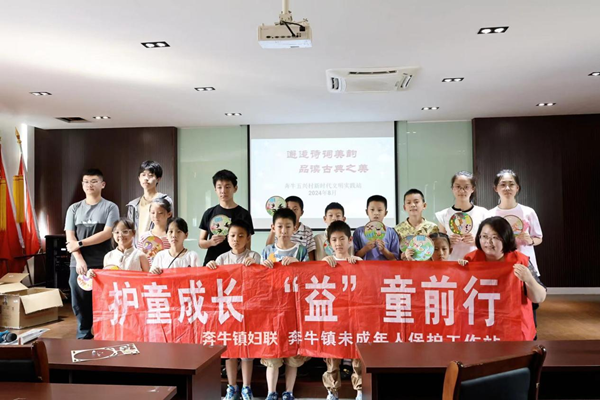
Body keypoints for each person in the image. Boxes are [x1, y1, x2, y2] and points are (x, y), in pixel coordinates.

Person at [459, 217, 546, 340]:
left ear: (505, 238)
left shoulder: (520, 260)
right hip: (480, 326)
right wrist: (459, 271)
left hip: (513, 327)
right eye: (484, 236)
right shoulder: (470, 260)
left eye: (495, 237)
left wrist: (529, 279)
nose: (488, 242)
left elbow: (539, 297)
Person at [206, 220, 260, 400]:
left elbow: (261, 281)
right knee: (230, 351)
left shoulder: (254, 256)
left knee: (246, 351)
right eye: (232, 235)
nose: (236, 239)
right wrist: (210, 268)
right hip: (228, 311)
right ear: (227, 238)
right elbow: (213, 282)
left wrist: (255, 266)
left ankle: (246, 387)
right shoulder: (221, 259)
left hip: (247, 311)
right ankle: (232, 387)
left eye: (241, 235)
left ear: (248, 238)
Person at [260, 208, 309, 400]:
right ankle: (271, 392)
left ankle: (289, 391)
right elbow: (260, 282)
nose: (284, 230)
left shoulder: (301, 250)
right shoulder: (267, 251)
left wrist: (299, 264)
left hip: (294, 309)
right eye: (280, 226)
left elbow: (309, 277)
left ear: (295, 228)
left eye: (288, 226)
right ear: (273, 227)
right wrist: (263, 269)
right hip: (272, 310)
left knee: (292, 354)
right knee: (272, 351)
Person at [65, 168, 119, 339]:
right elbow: (70, 237)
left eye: (94, 181)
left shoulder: (111, 207)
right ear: (82, 185)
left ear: (102, 184)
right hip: (79, 263)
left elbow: (108, 233)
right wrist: (79, 259)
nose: (89, 185)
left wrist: (80, 243)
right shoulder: (73, 208)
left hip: (104, 262)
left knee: (106, 301)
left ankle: (107, 335)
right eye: (86, 182)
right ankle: (84, 336)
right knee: (80, 302)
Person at [320, 220, 363, 400]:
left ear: (350, 240)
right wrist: (323, 263)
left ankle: (360, 390)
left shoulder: (358, 262)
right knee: (332, 354)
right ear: (329, 243)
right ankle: (332, 391)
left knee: (357, 354)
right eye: (334, 240)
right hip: (333, 316)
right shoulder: (325, 263)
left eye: (342, 239)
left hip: (355, 316)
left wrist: (358, 264)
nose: (338, 243)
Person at [486, 169, 543, 275]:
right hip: (500, 264)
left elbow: (539, 238)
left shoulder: (528, 212)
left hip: (525, 264)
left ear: (517, 188)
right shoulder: (489, 215)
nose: (507, 188)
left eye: (511, 184)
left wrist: (530, 240)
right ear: (496, 188)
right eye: (503, 184)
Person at [198, 170, 254, 265]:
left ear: (235, 188)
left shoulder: (244, 214)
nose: (223, 191)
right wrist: (210, 242)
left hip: (235, 264)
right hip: (212, 263)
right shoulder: (209, 213)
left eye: (227, 187)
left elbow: (247, 244)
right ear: (215, 189)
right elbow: (201, 243)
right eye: (219, 187)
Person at [435, 171, 487, 261]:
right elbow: (439, 244)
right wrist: (447, 241)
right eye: (458, 186)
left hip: (476, 262)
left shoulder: (483, 213)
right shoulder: (443, 215)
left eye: (466, 187)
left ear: (473, 189)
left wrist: (476, 241)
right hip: (452, 262)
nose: (462, 191)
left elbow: (490, 241)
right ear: (452, 188)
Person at [126, 160, 173, 240]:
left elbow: (170, 225)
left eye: (150, 175)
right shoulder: (133, 205)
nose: (146, 178)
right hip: (138, 246)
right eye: (143, 175)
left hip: (159, 244)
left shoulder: (165, 200)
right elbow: (129, 229)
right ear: (139, 178)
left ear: (158, 179)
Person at [266, 195, 316, 261]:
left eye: (295, 209)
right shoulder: (278, 230)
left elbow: (310, 258)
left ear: (301, 212)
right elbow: (269, 249)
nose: (284, 231)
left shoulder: (307, 231)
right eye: (288, 208)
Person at [396, 189, 439, 261]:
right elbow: (395, 254)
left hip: (427, 266)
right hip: (406, 266)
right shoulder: (397, 229)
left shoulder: (433, 227)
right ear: (404, 207)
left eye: (416, 202)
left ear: (424, 205)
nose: (413, 205)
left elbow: (437, 250)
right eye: (409, 203)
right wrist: (402, 256)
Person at [353, 195, 399, 261]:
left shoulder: (391, 233)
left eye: (379, 210)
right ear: (367, 212)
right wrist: (365, 249)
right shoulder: (358, 232)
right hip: (364, 267)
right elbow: (353, 257)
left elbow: (395, 259)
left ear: (385, 213)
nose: (376, 213)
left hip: (385, 267)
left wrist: (384, 250)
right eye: (372, 210)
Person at [137, 198, 172, 266]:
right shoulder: (144, 236)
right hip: (148, 271)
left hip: (167, 271)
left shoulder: (171, 237)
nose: (156, 216)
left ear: (169, 214)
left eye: (160, 213)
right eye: (153, 213)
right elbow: (138, 259)